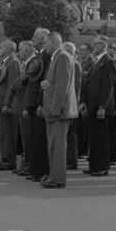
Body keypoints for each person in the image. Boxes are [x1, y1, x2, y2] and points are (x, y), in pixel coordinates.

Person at [39, 32, 79, 189]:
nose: (45, 46)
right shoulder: (58, 57)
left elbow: (63, 86)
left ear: (53, 42)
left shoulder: (62, 57)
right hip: (54, 111)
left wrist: (55, 108)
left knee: (58, 147)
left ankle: (58, 178)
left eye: (46, 43)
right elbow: (55, 82)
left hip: (58, 112)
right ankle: (54, 174)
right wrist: (47, 84)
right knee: (54, 145)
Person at [80, 35, 114, 177]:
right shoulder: (96, 61)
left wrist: (102, 106)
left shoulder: (108, 61)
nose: (94, 46)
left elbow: (108, 86)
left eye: (96, 44)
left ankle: (101, 166)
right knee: (94, 137)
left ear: (102, 45)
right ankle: (94, 165)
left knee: (101, 138)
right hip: (91, 105)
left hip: (100, 107)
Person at [0, 39, 21, 171]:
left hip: (4, 104)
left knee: (6, 133)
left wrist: (7, 103)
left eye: (1, 47)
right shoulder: (4, 61)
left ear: (8, 49)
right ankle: (3, 158)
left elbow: (12, 85)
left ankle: (8, 160)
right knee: (0, 133)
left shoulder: (13, 62)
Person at [24, 28, 51, 183]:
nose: (32, 39)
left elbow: (46, 81)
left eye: (35, 37)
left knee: (40, 138)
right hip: (32, 100)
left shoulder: (47, 56)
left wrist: (41, 102)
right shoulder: (40, 55)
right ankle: (35, 169)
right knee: (34, 137)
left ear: (43, 38)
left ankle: (41, 170)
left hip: (38, 101)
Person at [12, 40, 36, 175]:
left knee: (28, 138)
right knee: (24, 137)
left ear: (26, 51)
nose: (19, 53)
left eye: (20, 50)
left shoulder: (31, 64)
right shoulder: (24, 64)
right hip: (22, 104)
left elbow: (22, 85)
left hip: (26, 104)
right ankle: (26, 163)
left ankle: (28, 165)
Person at [62, 41, 81, 170]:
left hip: (72, 103)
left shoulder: (75, 64)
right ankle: (68, 159)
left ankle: (71, 160)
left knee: (70, 134)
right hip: (70, 102)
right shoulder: (70, 63)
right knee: (68, 133)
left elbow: (76, 85)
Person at [76, 43, 94, 157]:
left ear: (89, 51)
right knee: (80, 127)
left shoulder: (91, 62)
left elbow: (86, 84)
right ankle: (81, 149)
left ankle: (84, 150)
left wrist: (83, 100)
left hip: (85, 99)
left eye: (83, 49)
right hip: (80, 98)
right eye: (80, 49)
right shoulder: (82, 62)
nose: (81, 52)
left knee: (84, 126)